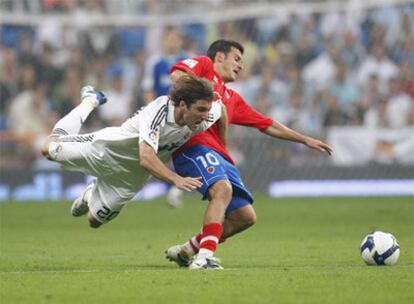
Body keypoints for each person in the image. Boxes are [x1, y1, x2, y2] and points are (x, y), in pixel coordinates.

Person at [165, 40, 333, 270]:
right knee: (222, 190)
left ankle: (188, 250)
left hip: (220, 155)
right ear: (219, 57)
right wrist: (201, 92)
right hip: (194, 149)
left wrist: (304, 139)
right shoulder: (203, 66)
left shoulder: (232, 98)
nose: (241, 66)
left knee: (245, 216)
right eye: (237, 59)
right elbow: (177, 75)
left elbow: (267, 124)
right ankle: (204, 258)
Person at [41, 75, 224, 228]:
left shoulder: (204, 118)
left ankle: (90, 194)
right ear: (183, 105)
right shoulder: (159, 112)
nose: (204, 115)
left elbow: (221, 110)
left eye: (206, 110)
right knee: (48, 148)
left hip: (130, 178)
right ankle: (90, 101)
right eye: (200, 109)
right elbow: (146, 157)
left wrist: (222, 146)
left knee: (94, 221)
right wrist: (176, 179)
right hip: (105, 151)